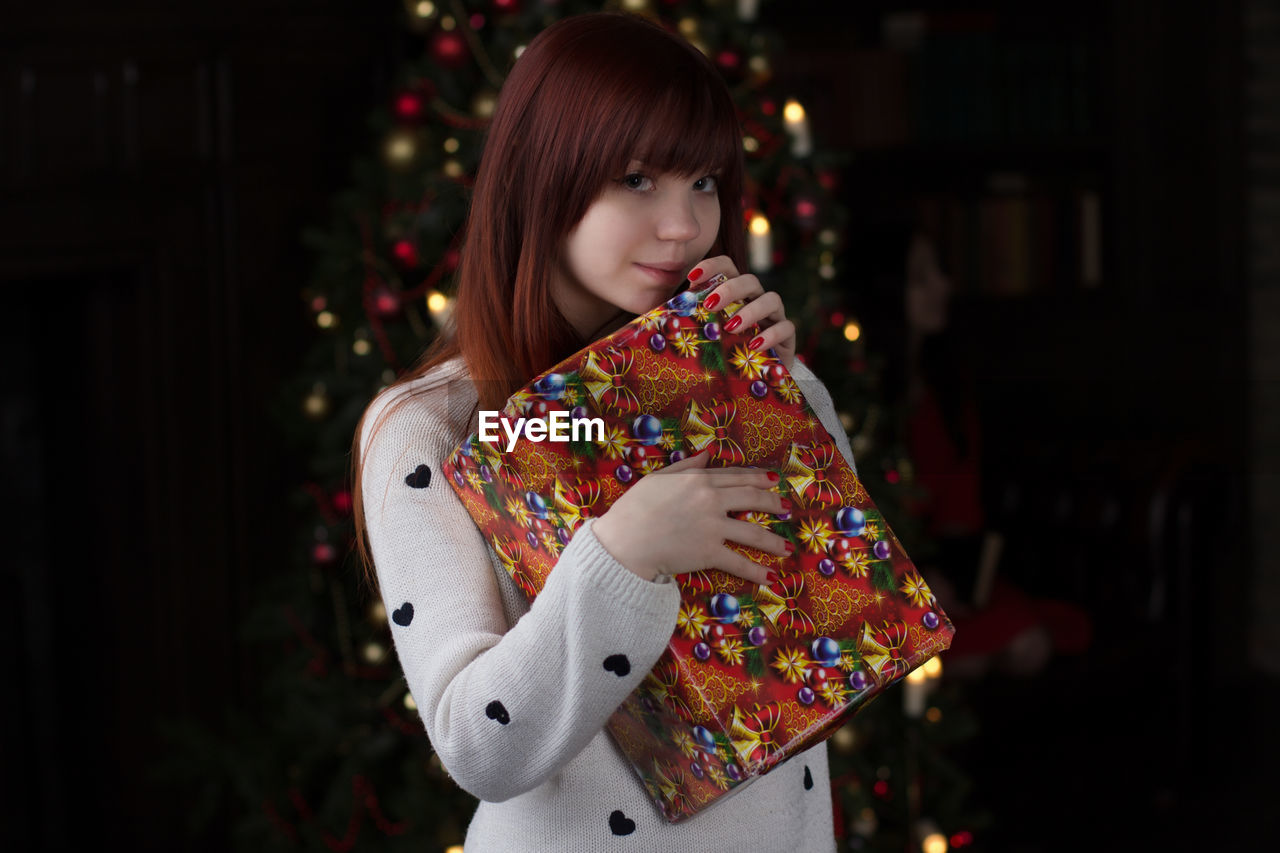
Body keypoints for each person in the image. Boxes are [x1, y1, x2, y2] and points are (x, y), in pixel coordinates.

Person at [351, 13, 852, 851]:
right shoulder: (428, 430)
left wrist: (780, 402)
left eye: (703, 181)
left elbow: (831, 649)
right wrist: (620, 555)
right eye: (635, 179)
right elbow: (477, 745)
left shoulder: (750, 368)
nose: (685, 225)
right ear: (542, 179)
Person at [849, 217, 1091, 680]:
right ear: (889, 291)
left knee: (1030, 638)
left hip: (950, 582)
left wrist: (956, 572)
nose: (944, 284)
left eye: (939, 270)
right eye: (922, 277)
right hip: (882, 589)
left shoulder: (946, 392)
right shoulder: (863, 404)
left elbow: (963, 509)